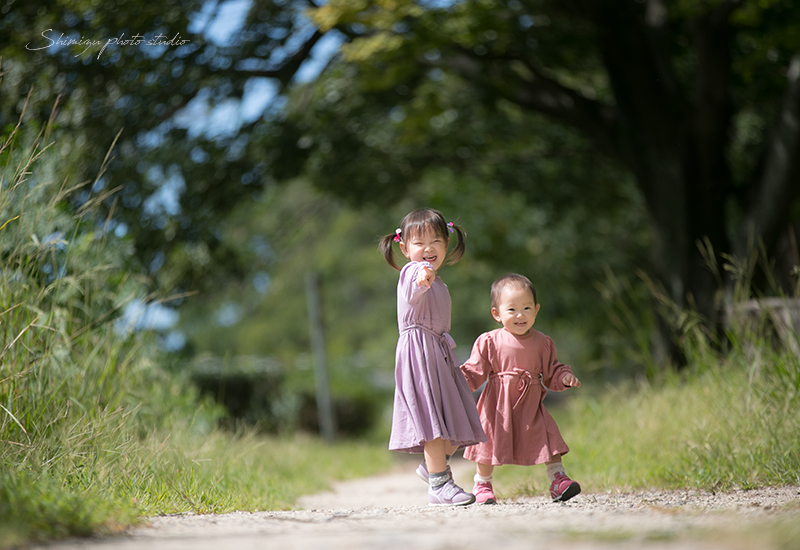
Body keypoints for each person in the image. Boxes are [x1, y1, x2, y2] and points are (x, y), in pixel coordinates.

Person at [379, 208, 486, 506]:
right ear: (404, 248)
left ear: (446, 245)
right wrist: (423, 274)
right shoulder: (412, 272)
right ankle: (440, 484)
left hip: (437, 353)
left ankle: (431, 467)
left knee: (452, 415)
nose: (428, 249)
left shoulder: (440, 283)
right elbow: (416, 281)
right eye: (419, 243)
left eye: (436, 242)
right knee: (431, 419)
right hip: (419, 354)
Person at [460, 273, 581, 505]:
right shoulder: (489, 341)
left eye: (526, 308)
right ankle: (483, 484)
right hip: (497, 406)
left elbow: (552, 370)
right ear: (496, 314)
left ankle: (558, 479)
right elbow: (474, 371)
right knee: (488, 443)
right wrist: (457, 380)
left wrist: (563, 376)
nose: (520, 315)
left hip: (530, 405)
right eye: (512, 309)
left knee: (548, 437)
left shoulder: (542, 342)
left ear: (536, 310)